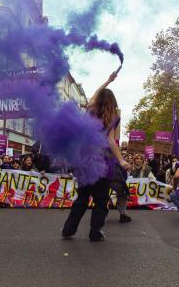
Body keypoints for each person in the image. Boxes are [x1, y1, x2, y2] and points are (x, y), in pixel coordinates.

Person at [62, 70, 131, 241]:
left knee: (82, 198)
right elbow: (110, 141)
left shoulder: (90, 110)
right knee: (101, 200)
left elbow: (93, 97)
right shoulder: (114, 117)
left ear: (98, 99)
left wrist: (107, 81)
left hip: (85, 161)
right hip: (103, 163)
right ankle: (95, 232)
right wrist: (121, 160)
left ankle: (68, 230)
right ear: (112, 102)